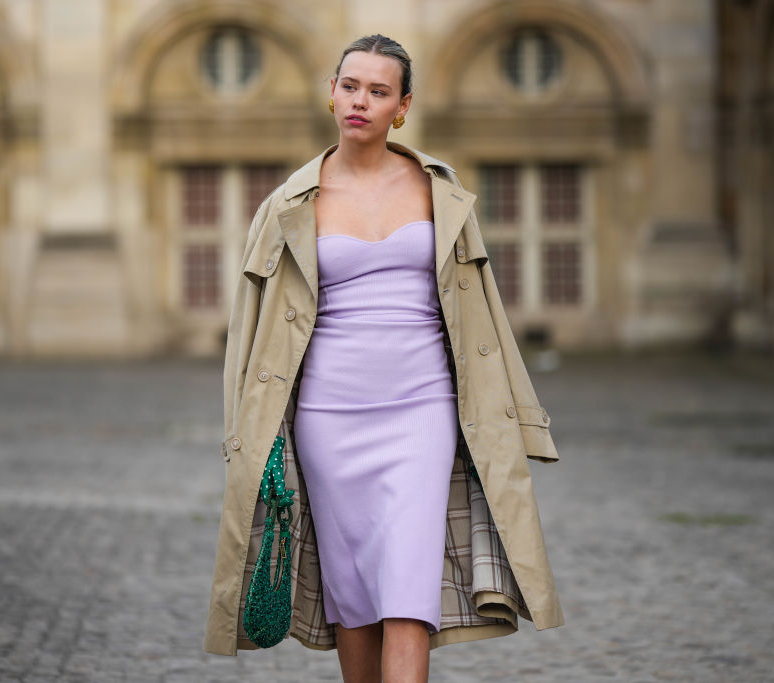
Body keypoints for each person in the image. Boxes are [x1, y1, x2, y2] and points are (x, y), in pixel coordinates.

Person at [205, 34, 563, 683]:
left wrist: (520, 417)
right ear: (332, 93)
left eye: (378, 90)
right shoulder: (289, 203)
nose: (360, 101)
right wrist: (246, 443)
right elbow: (248, 334)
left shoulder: (441, 192)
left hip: (423, 408)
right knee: (354, 603)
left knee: (407, 596)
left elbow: (485, 314)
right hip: (328, 416)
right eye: (350, 86)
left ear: (403, 106)